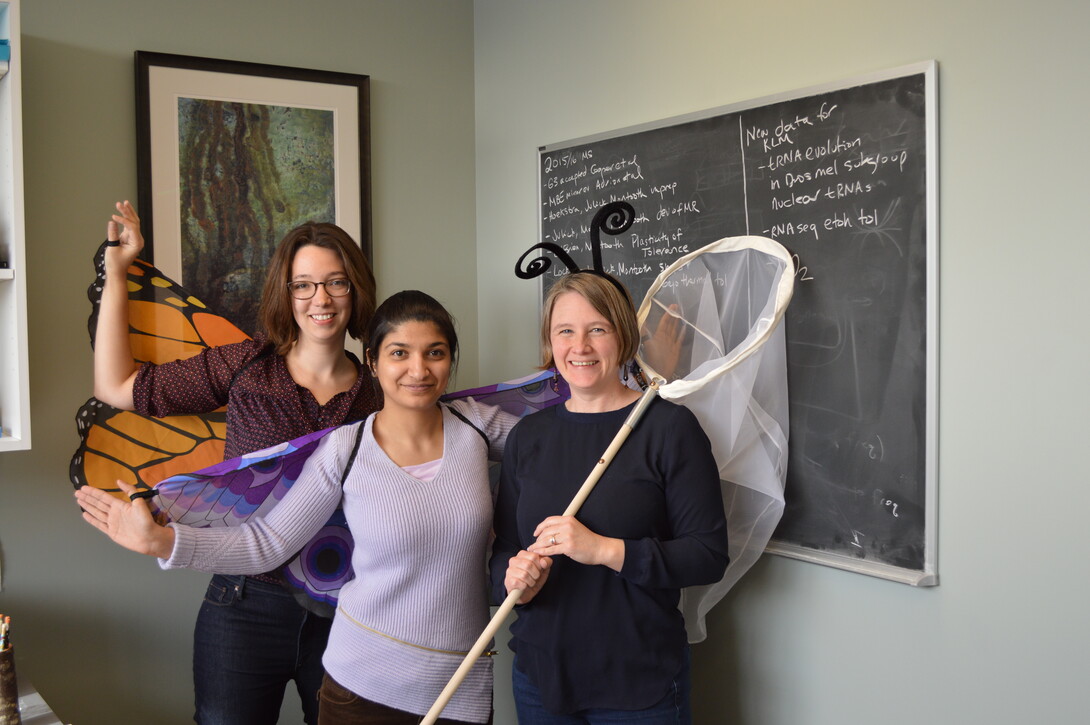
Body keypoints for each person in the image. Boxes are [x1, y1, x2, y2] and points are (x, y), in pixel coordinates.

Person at [78, 289, 518, 724]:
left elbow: (568, 448)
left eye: (435, 353)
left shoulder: (477, 426)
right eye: (399, 352)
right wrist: (162, 542)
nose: (418, 369)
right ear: (373, 361)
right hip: (359, 687)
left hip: (460, 685)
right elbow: (268, 542)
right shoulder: (344, 448)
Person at [93, 201, 381, 724]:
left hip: (348, 610)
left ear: (356, 290)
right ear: (286, 293)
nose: (320, 298)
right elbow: (116, 388)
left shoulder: (381, 394)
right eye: (303, 284)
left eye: (336, 282)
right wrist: (117, 274)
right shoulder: (246, 365)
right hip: (243, 607)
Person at [489, 271, 730, 724]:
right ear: (550, 340)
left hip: (640, 679)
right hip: (542, 676)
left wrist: (601, 550)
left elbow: (708, 555)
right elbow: (505, 548)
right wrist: (511, 577)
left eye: (597, 329)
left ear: (623, 336)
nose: (579, 346)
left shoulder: (669, 430)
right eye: (565, 331)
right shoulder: (528, 436)